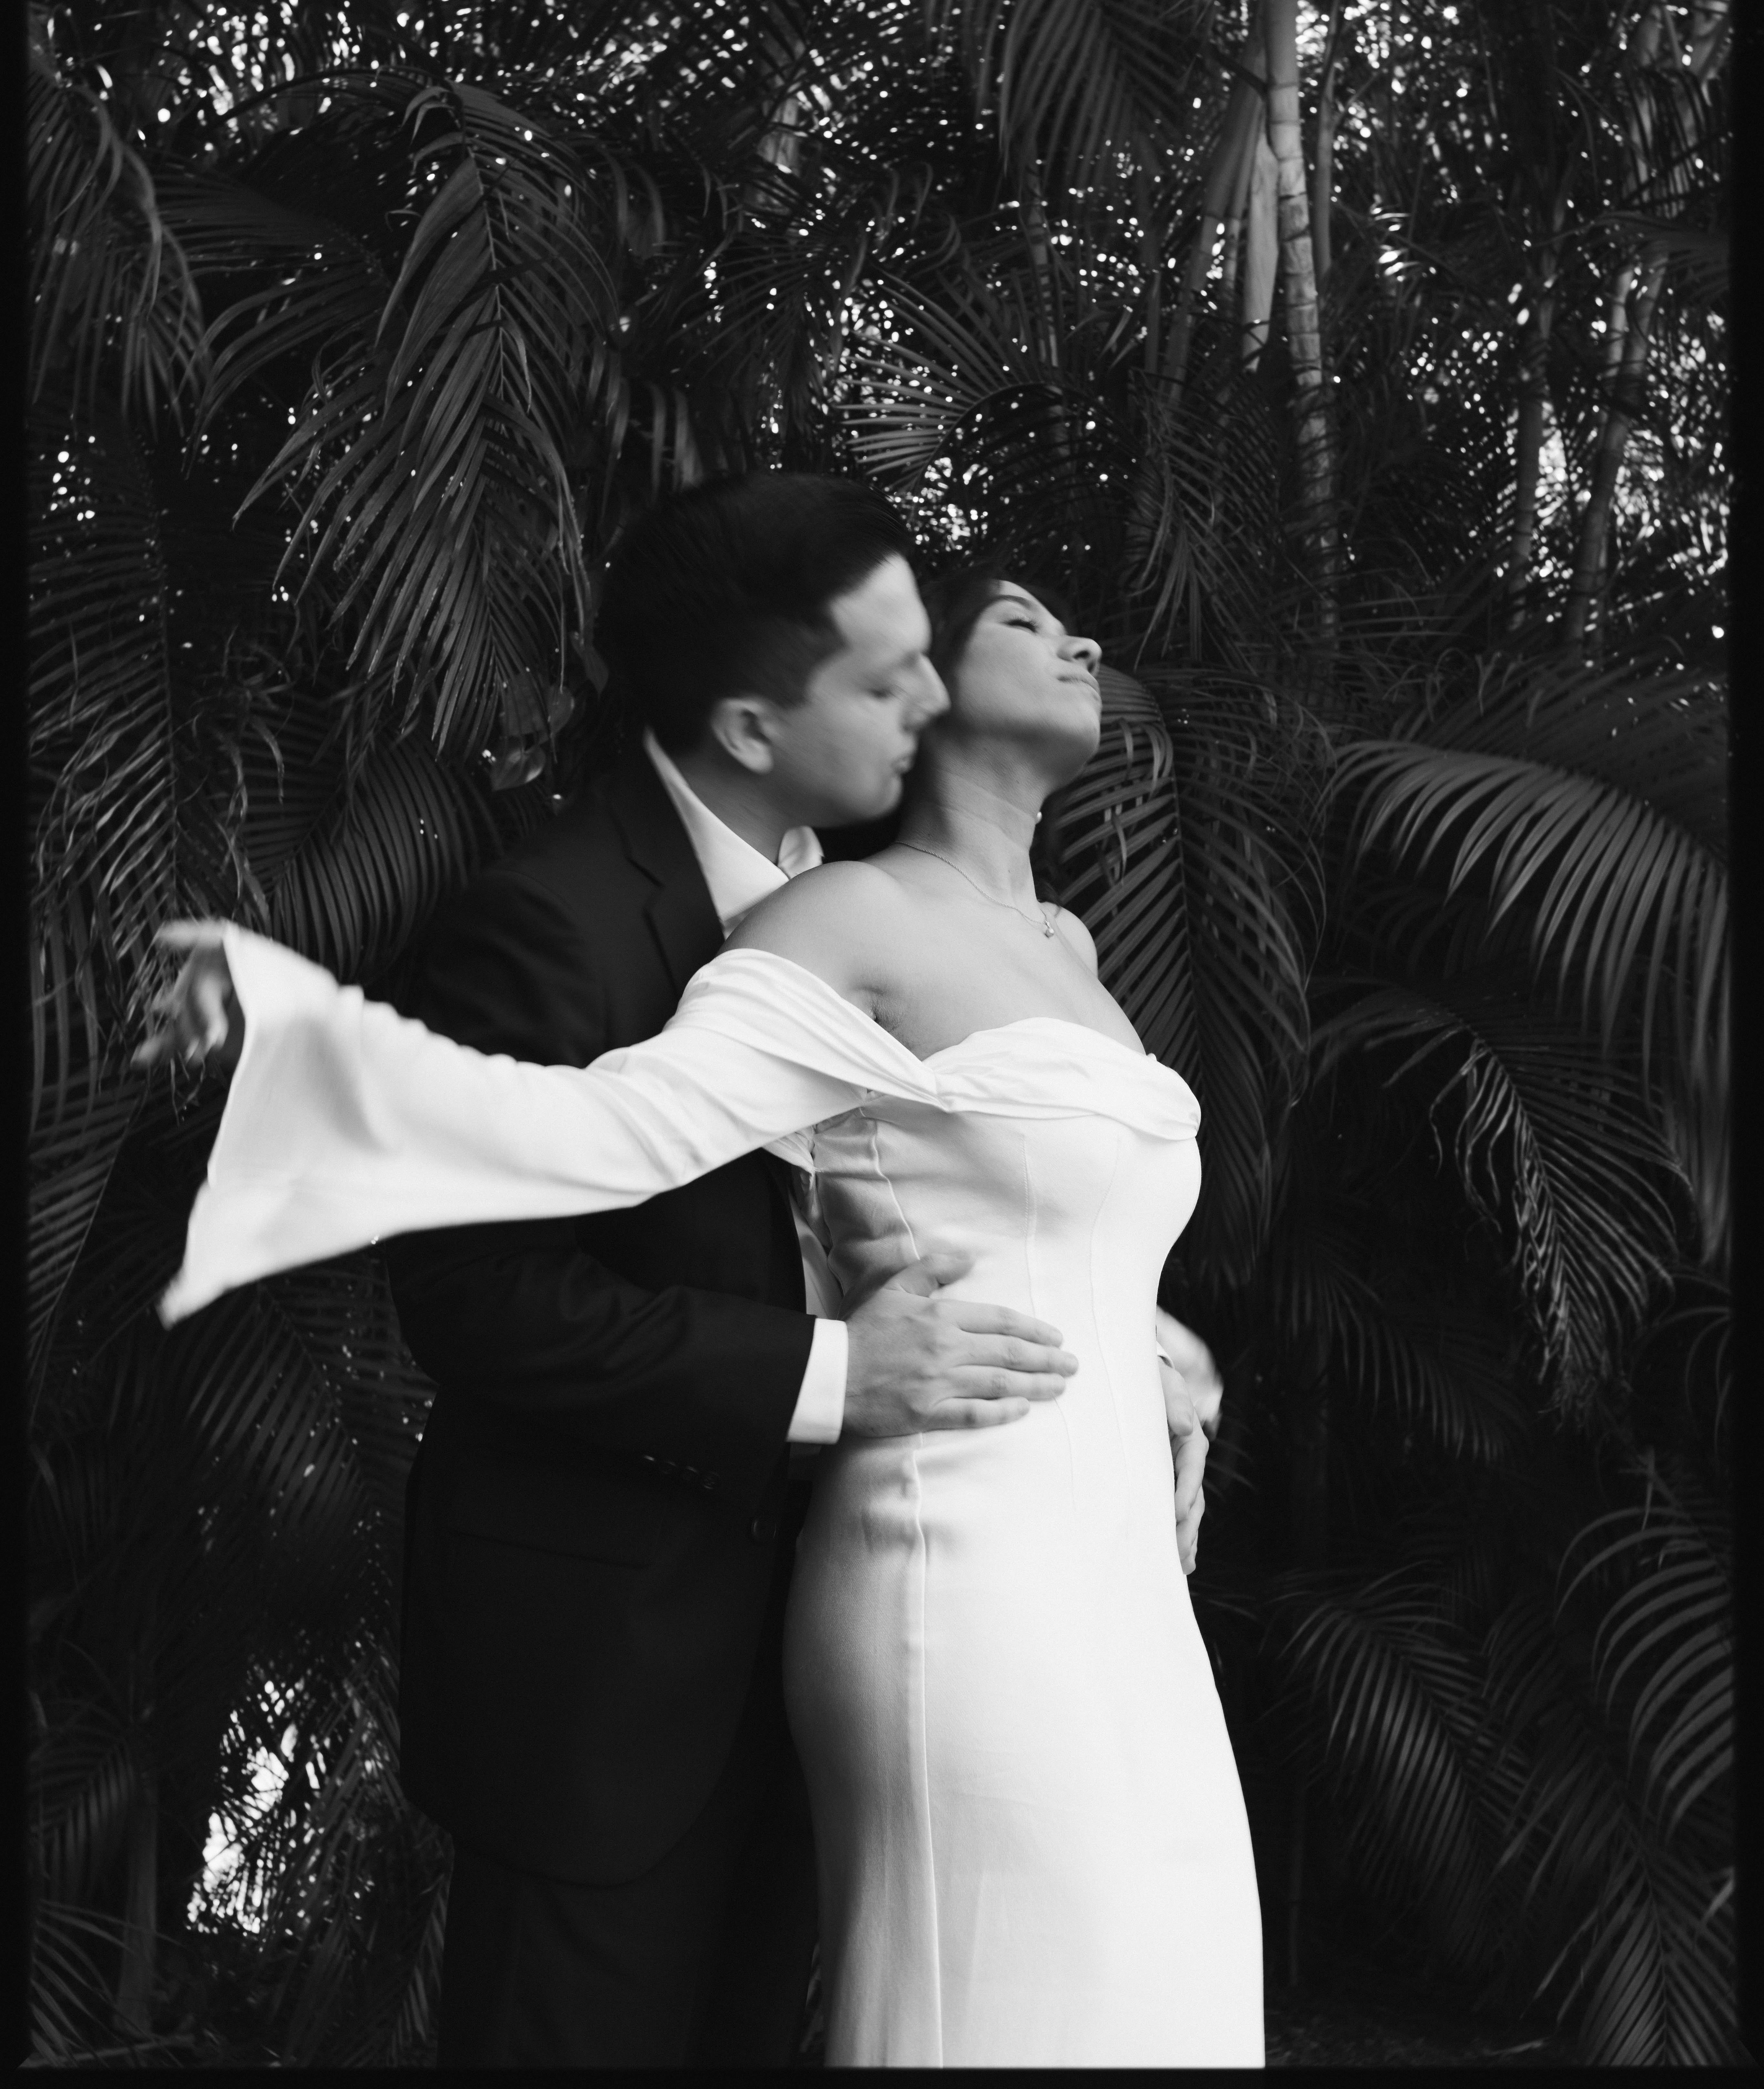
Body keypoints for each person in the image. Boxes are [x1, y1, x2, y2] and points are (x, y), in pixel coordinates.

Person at [143, 476, 1218, 2070]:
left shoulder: (887, 899)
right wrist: (847, 1378)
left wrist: (1132, 1336)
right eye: (882, 673)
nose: (923, 694)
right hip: (613, 1664)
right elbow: (481, 1297)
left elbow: (937, 1187)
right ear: (750, 719)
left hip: (881, 1599)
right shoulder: (555, 918)